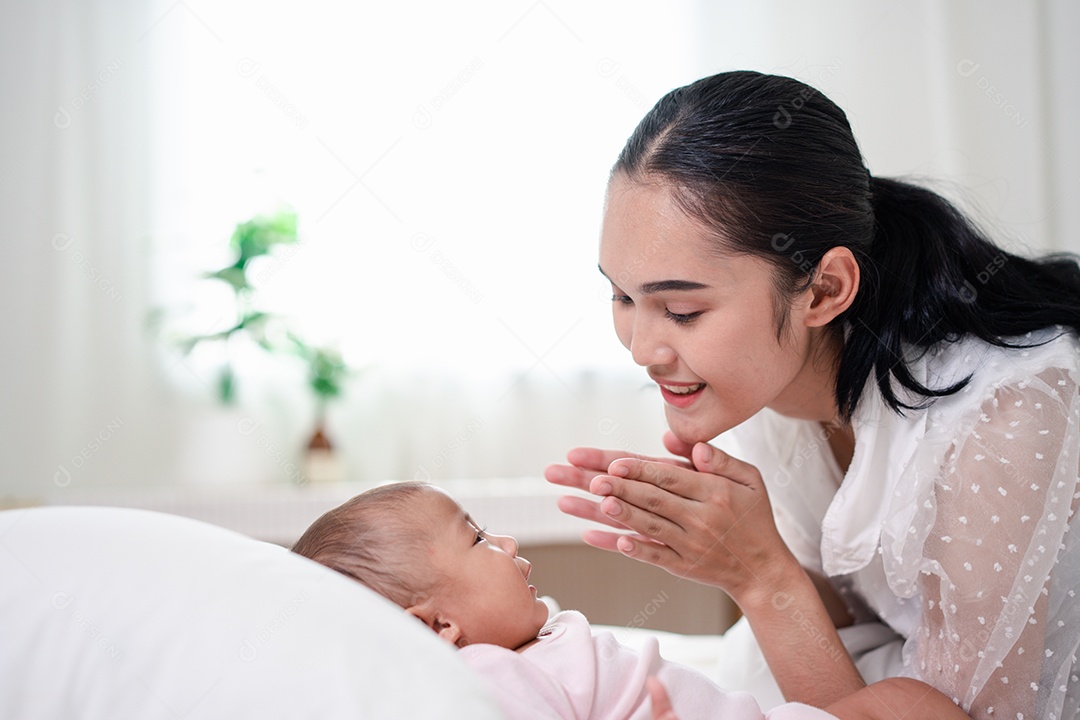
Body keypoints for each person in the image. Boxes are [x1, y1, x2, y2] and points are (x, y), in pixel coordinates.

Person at [543, 70, 1080, 720]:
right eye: (622, 297)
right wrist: (722, 545)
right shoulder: (774, 373)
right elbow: (863, 612)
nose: (641, 348)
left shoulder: (1002, 415)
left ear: (825, 291)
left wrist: (759, 575)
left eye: (681, 310)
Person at [291, 481, 970, 720]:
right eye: (476, 539)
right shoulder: (492, 677)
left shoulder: (528, 647)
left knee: (911, 703)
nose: (505, 540)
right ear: (439, 627)